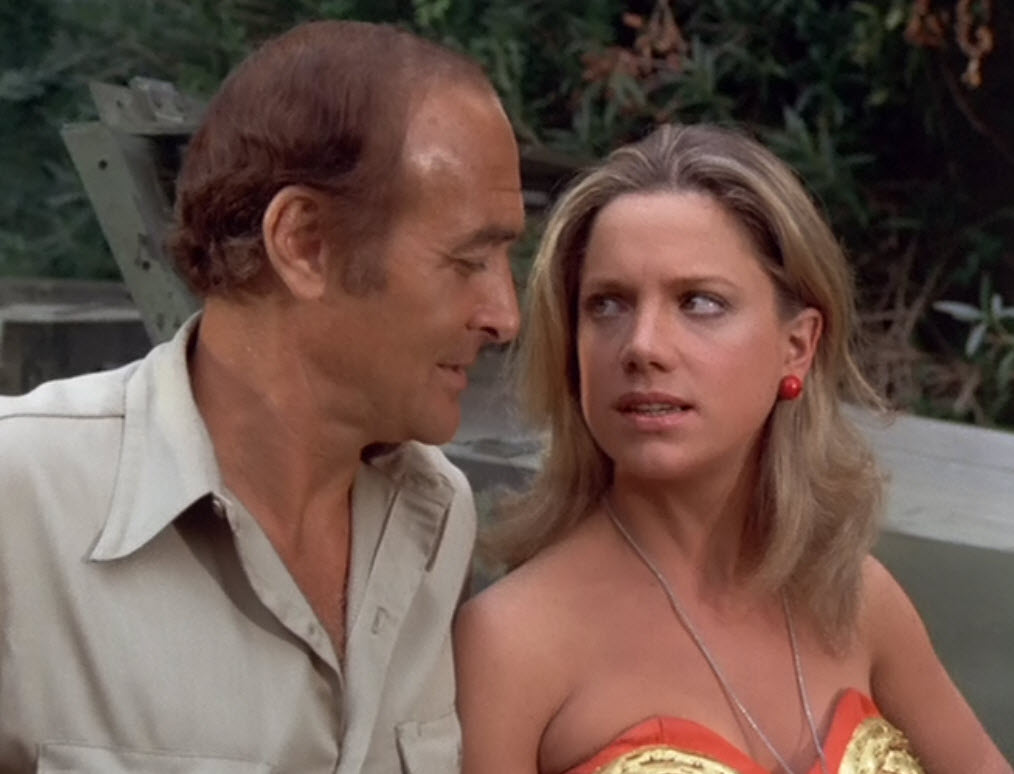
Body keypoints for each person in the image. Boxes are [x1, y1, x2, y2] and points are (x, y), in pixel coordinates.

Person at [0, 19, 523, 773]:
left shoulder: (437, 515)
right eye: (468, 260)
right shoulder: (23, 502)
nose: (505, 316)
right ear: (305, 242)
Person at [454, 124, 1011, 774]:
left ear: (796, 346)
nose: (642, 345)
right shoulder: (510, 642)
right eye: (607, 305)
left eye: (699, 302)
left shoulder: (856, 598)